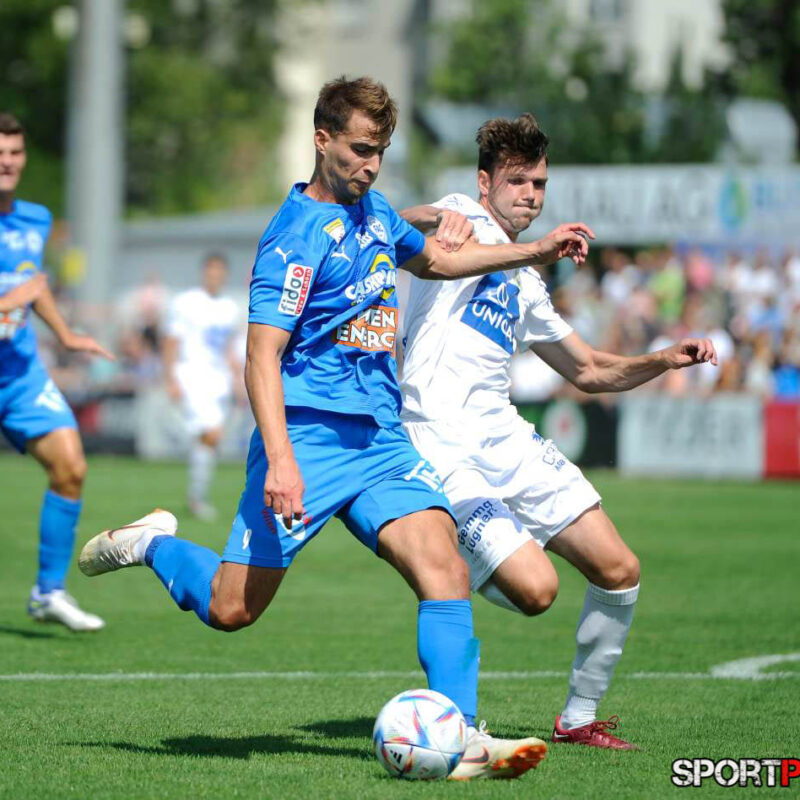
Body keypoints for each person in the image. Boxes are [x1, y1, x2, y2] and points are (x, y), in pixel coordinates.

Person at [79, 77, 591, 780]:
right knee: (231, 609)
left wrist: (535, 252)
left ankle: (463, 735)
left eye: (380, 151)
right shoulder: (293, 238)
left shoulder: (374, 212)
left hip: (380, 440)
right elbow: (261, 356)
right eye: (359, 149)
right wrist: (282, 461)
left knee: (443, 567)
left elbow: (439, 260)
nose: (371, 165)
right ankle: (151, 544)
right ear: (321, 140)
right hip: (308, 441)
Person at [399, 113, 717, 750]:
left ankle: (578, 718)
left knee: (619, 568)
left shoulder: (526, 280)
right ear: (484, 182)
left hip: (505, 438)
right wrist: (436, 217)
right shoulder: (462, 214)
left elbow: (590, 370)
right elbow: (387, 221)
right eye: (517, 181)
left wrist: (662, 358)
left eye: (539, 183)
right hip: (439, 441)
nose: (530, 195)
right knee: (537, 590)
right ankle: (443, 555)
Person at [0, 112, 113, 631]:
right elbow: (20, 291)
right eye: (0, 153)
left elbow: (35, 285)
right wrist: (9, 300)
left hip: (20, 376)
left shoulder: (35, 219)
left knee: (71, 467)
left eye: (15, 152)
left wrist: (65, 335)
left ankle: (48, 592)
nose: (8, 162)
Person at [163, 253, 240, 520]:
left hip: (218, 379)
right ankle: (197, 500)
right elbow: (171, 341)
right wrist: (170, 378)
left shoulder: (229, 307)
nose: (214, 276)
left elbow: (228, 347)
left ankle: (196, 496)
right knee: (211, 434)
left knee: (209, 440)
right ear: (204, 272)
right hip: (191, 375)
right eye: (210, 271)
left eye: (219, 271)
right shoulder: (186, 302)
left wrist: (237, 377)